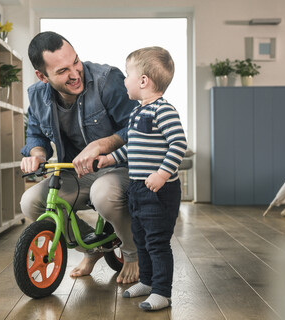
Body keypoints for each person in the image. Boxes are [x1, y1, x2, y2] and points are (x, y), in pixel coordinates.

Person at [20, 31, 140, 284]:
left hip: (122, 166)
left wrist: (101, 144)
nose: (75, 74)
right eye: (62, 71)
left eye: (76, 61)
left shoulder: (108, 80)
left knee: (102, 192)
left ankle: (133, 254)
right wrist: (37, 154)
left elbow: (138, 127)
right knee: (31, 201)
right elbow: (35, 136)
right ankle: (92, 249)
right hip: (77, 172)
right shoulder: (37, 96)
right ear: (42, 76)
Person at [97, 46, 187, 311]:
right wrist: (109, 159)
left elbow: (178, 143)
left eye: (127, 75)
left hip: (159, 191)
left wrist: (162, 173)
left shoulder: (164, 110)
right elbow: (130, 148)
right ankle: (146, 282)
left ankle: (162, 291)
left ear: (143, 81)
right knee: (141, 239)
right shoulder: (137, 113)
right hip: (137, 188)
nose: (124, 80)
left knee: (157, 242)